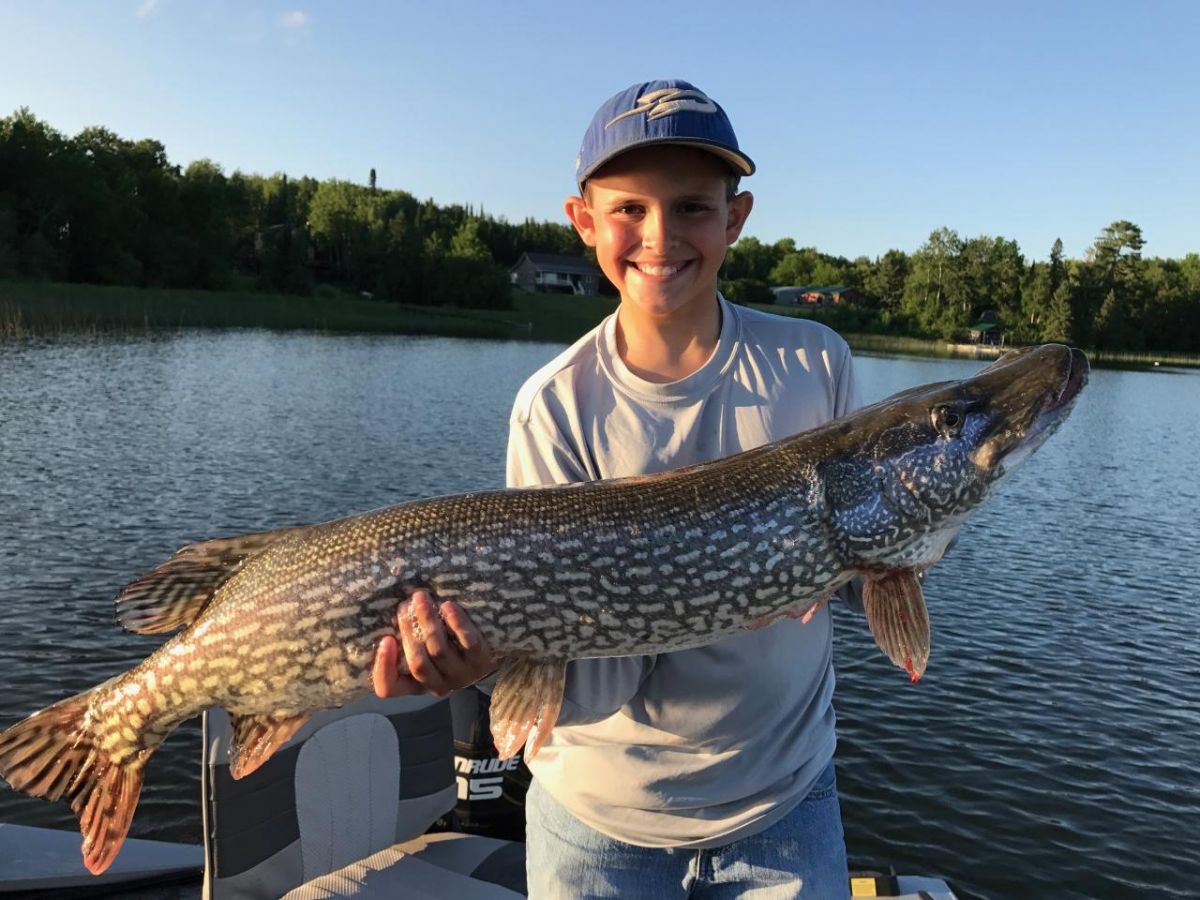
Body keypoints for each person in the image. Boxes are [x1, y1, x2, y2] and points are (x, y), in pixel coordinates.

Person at [371, 79, 859, 899]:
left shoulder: (815, 365)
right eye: (630, 208)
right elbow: (581, 665)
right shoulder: (556, 406)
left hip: (786, 806)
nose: (660, 235)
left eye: (693, 207)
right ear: (584, 222)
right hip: (597, 828)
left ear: (735, 219)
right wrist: (486, 664)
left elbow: (864, 560)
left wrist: (898, 556)